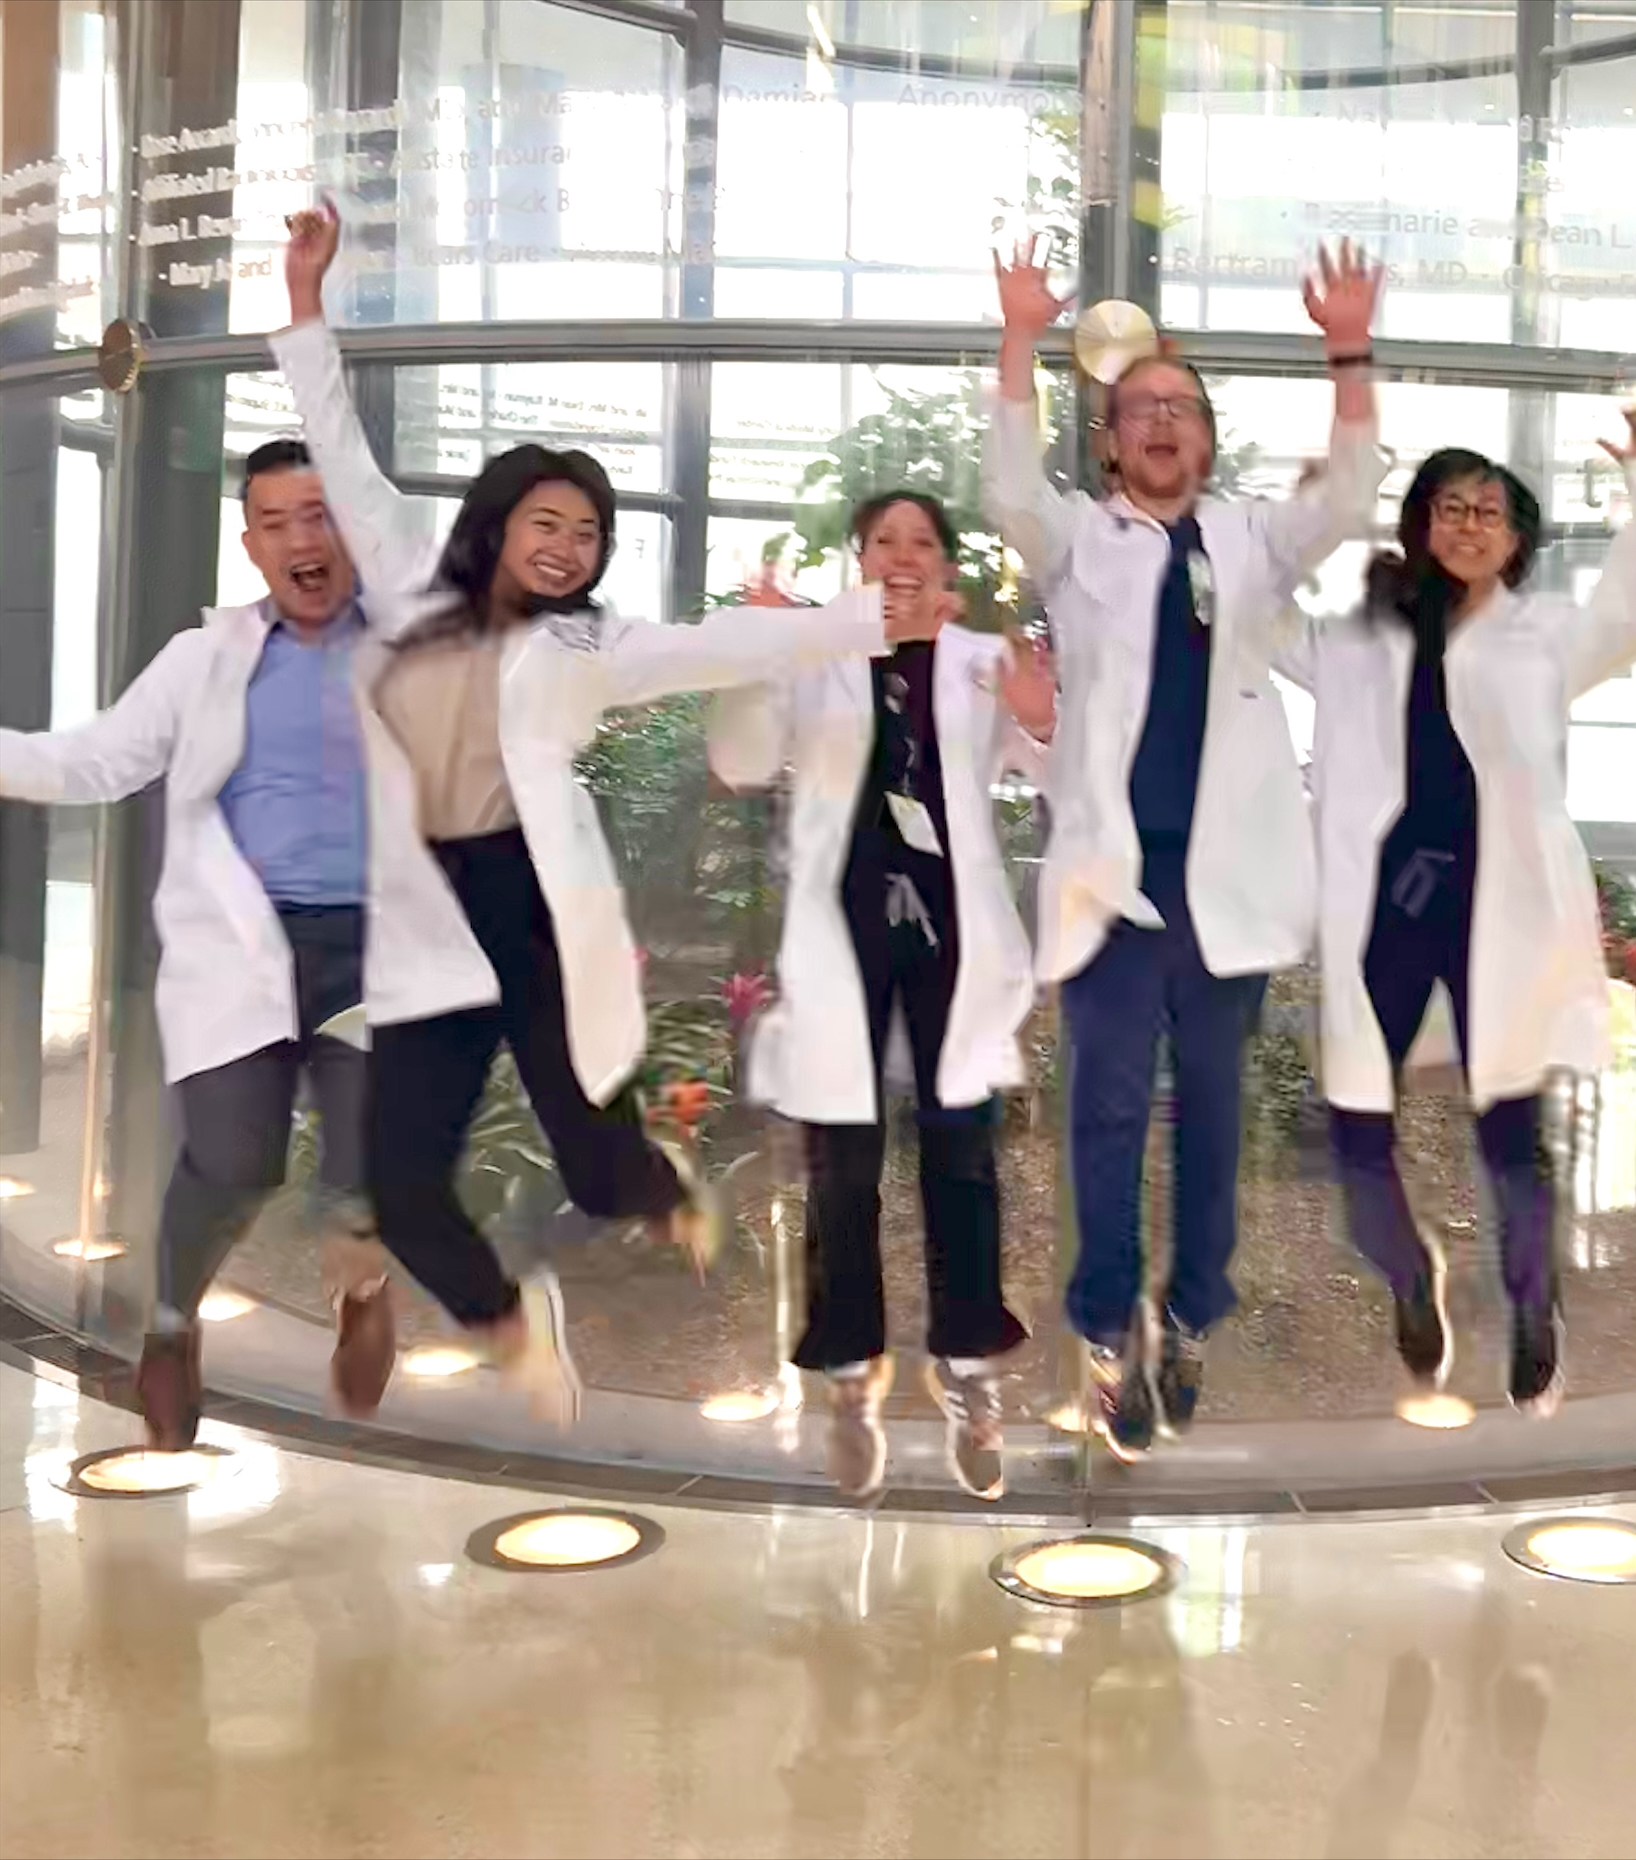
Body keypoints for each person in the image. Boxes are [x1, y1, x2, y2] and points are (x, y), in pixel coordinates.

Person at [273, 203, 929, 1424]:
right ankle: (507, 1323)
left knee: (594, 1154)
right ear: (497, 522)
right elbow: (344, 456)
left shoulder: (596, 640)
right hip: (428, 912)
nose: (568, 547)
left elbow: (714, 640)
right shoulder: (414, 582)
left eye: (587, 533)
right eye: (548, 523)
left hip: (527, 894)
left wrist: (852, 618)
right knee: (408, 1189)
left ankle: (666, 1188)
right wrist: (306, 311)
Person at [981, 236, 1383, 1458]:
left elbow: (1351, 497)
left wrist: (1348, 351)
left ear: (1207, 440)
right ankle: (1106, 1336)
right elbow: (1004, 488)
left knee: (1213, 1118)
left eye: (1182, 409)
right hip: (1115, 886)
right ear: (1106, 441)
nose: (1160, 424)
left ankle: (1191, 1314)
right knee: (1102, 1117)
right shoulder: (1076, 541)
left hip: (1228, 891)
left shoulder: (1252, 545)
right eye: (1137, 409)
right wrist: (1015, 339)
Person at [1278, 430, 1636, 1414]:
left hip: (1496, 902)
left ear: (1515, 541)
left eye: (1487, 512)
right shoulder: (1365, 634)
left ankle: (1533, 1301)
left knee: (1509, 1120)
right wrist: (1293, 529)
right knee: (1352, 1124)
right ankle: (1408, 1273)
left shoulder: (1542, 634)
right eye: (1449, 508)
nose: (1466, 527)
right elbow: (1259, 626)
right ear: (1420, 523)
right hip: (1387, 903)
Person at [0, 440, 393, 1449]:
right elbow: (86, 763)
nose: (303, 539)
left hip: (378, 951)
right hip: (244, 951)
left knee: (366, 1162)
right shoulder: (204, 660)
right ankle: (172, 1327)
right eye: (278, 522)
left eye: (322, 515)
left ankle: (362, 1290)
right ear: (252, 544)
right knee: (233, 1161)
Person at [708, 492, 1058, 1502]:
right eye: (882, 543)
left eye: (921, 544)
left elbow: (1058, 772)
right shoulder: (813, 654)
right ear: (856, 563)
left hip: (954, 934)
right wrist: (761, 651)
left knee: (962, 1158)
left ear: (947, 570)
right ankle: (849, 1378)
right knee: (840, 1167)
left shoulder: (979, 662)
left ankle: (969, 1375)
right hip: (842, 930)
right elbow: (735, 762)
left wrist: (1039, 715)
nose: (901, 558)